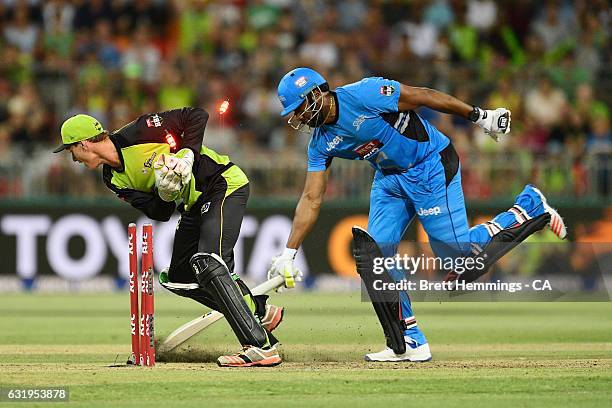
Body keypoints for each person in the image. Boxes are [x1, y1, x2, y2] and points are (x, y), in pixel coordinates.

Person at [268, 67, 567, 362]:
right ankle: (410, 339)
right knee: (374, 257)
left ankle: (528, 207)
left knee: (460, 260)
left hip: (430, 166)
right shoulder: (320, 143)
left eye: (301, 108)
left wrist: (479, 115)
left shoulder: (364, 93)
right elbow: (311, 197)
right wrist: (288, 253)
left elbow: (423, 96)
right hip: (389, 180)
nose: (299, 117)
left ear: (317, 93)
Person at [53, 109, 284, 367]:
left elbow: (196, 115)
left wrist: (186, 155)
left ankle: (260, 347)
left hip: (221, 184)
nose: (72, 159)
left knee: (208, 262)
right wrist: (164, 193)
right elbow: (160, 212)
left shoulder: (139, 131)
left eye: (70, 150)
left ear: (83, 144)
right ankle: (258, 310)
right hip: (193, 205)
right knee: (179, 277)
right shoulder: (113, 179)